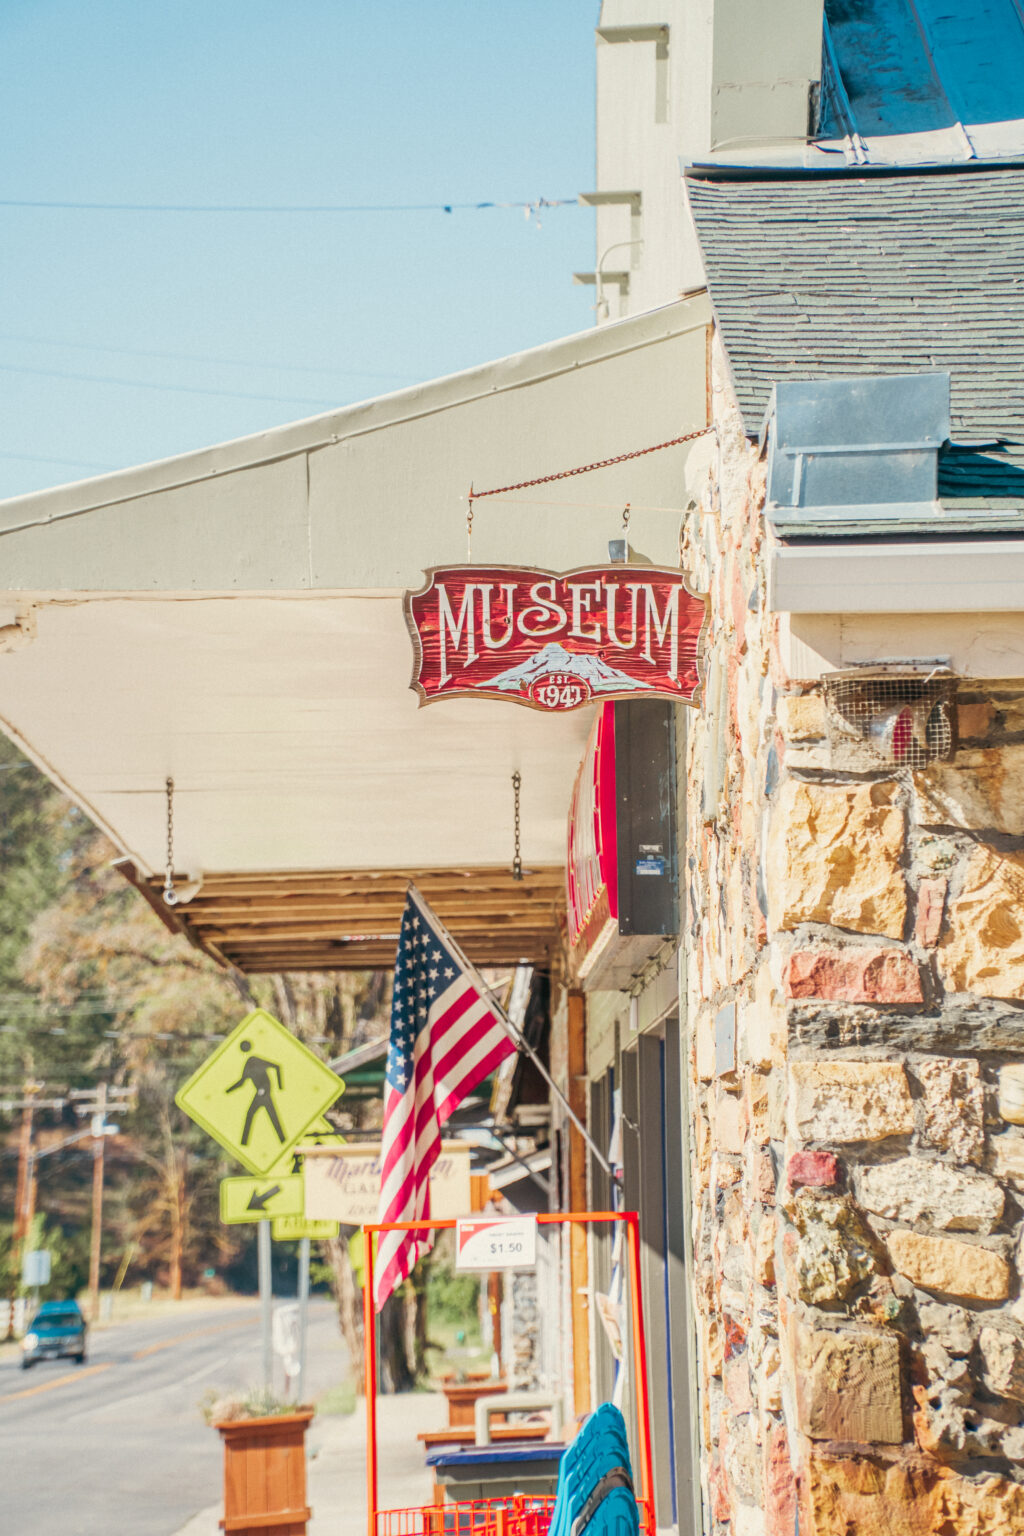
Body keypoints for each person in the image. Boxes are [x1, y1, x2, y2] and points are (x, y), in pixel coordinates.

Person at [226, 1039, 285, 1145]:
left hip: (264, 1092)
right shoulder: (248, 1064)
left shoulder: (256, 1060)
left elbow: (277, 1066)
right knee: (260, 1115)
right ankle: (245, 1142)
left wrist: (280, 1086)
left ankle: (245, 1142)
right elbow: (242, 1082)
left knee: (266, 1116)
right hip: (259, 1093)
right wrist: (227, 1091)